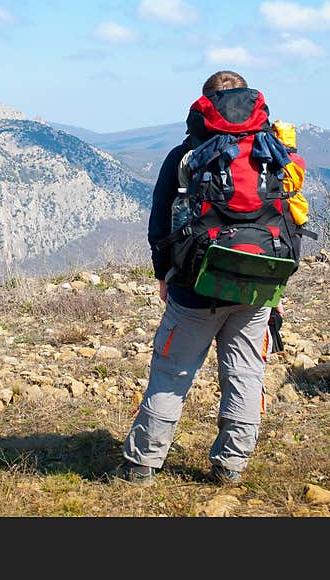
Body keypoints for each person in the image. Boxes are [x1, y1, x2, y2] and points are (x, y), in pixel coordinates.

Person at [112, 70, 277, 486]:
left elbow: (159, 220)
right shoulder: (269, 151)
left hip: (195, 285)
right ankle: (231, 467)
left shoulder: (185, 154)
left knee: (173, 372)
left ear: (205, 107)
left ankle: (143, 465)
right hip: (258, 282)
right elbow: (285, 219)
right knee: (244, 373)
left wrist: (163, 273)